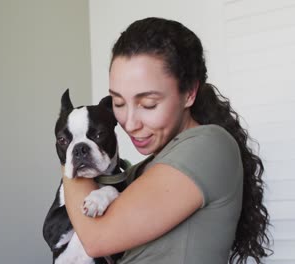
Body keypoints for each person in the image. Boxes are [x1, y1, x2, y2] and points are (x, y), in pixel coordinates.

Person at [62, 17, 271, 264]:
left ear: (189, 93)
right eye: (118, 102)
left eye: (148, 104)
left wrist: (71, 145)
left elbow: (96, 237)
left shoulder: (208, 145)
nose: (129, 123)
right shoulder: (144, 169)